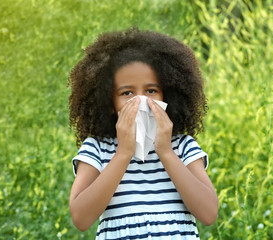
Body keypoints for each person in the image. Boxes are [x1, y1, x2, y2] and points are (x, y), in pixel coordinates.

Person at [68, 28, 218, 239]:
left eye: (151, 91)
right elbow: (81, 218)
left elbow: (209, 213)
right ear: (110, 102)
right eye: (127, 93)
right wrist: (123, 153)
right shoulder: (98, 148)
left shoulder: (183, 147)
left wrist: (166, 152)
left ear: (168, 94)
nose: (141, 102)